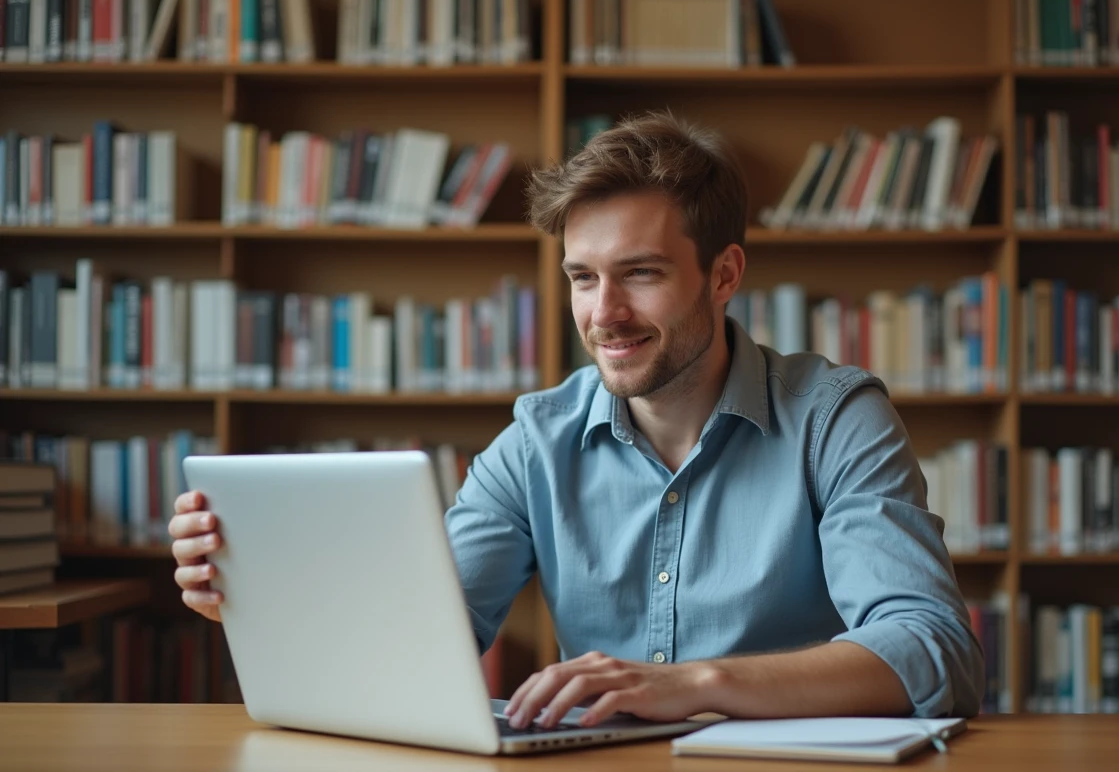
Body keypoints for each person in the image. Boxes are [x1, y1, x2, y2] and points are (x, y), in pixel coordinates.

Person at [170, 111, 985, 733]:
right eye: (582, 278)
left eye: (641, 274)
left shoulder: (834, 418)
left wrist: (696, 685)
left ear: (725, 273)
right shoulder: (535, 440)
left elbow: (933, 648)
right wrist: (262, 599)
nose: (605, 314)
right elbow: (417, 634)